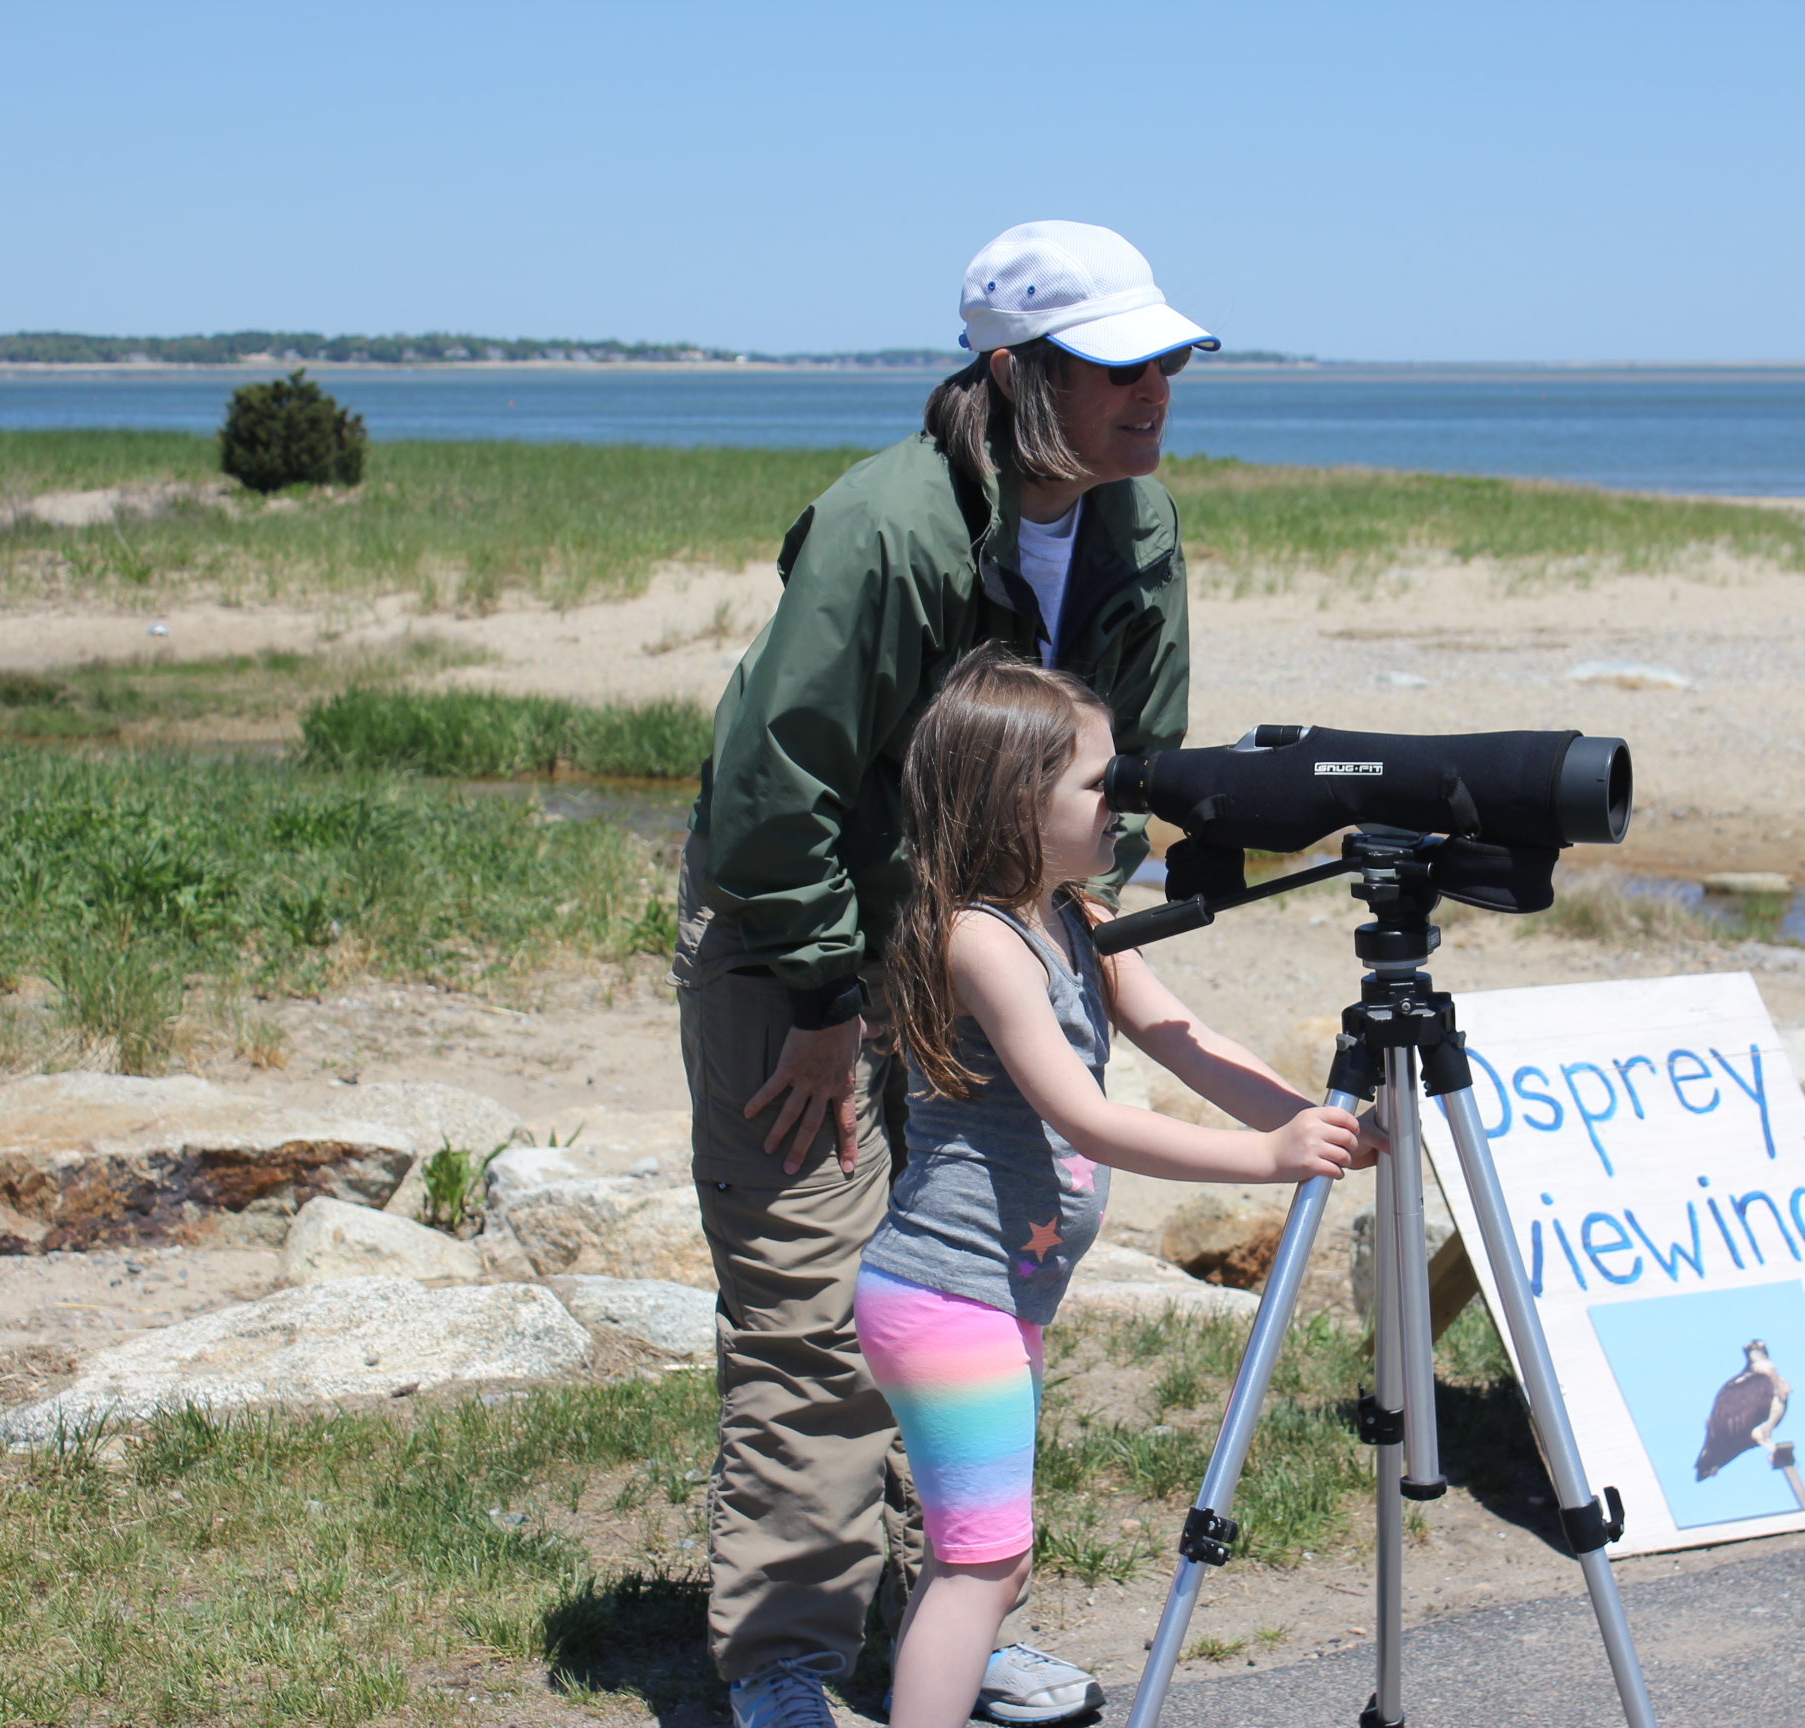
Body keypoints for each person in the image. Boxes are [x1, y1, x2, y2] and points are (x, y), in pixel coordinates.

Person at [674, 221, 1216, 1728]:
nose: (1157, 387)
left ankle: (951, 1622)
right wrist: (822, 1004)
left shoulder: (1137, 524)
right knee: (807, 1289)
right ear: (1012, 370)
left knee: (979, 1281)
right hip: (802, 934)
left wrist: (1101, 941)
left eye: (1168, 357)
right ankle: (786, 1659)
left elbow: (1138, 765)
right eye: (1120, 363)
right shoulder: (889, 525)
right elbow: (774, 787)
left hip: (990, 932)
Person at [862, 647, 1382, 1728]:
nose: (1128, 802)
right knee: (982, 1567)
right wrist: (1272, 1160)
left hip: (1002, 1298)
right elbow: (1086, 1117)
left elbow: (1185, 1042)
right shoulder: (981, 941)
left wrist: (1304, 1118)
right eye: (1102, 783)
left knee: (983, 1563)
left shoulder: (1080, 920)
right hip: (945, 1298)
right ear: (1013, 801)